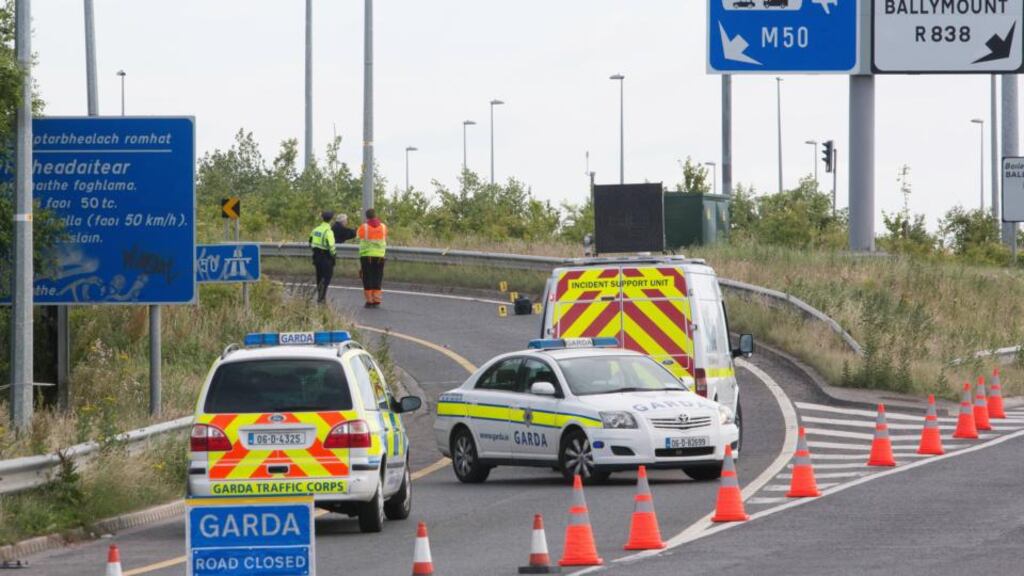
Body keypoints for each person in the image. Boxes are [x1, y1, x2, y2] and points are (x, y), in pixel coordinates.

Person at [357, 208, 387, 307]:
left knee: (367, 277)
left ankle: (369, 301)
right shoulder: (383, 227)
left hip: (367, 256)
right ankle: (377, 299)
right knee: (377, 277)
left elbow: (359, 236)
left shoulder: (363, 227)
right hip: (380, 256)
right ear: (375, 215)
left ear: (366, 217)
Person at [309, 211, 336, 304]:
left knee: (319, 277)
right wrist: (334, 255)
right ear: (331, 220)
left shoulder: (316, 229)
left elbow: (310, 241)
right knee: (326, 277)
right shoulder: (328, 232)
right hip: (326, 257)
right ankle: (322, 298)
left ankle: (320, 296)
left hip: (316, 256)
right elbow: (331, 246)